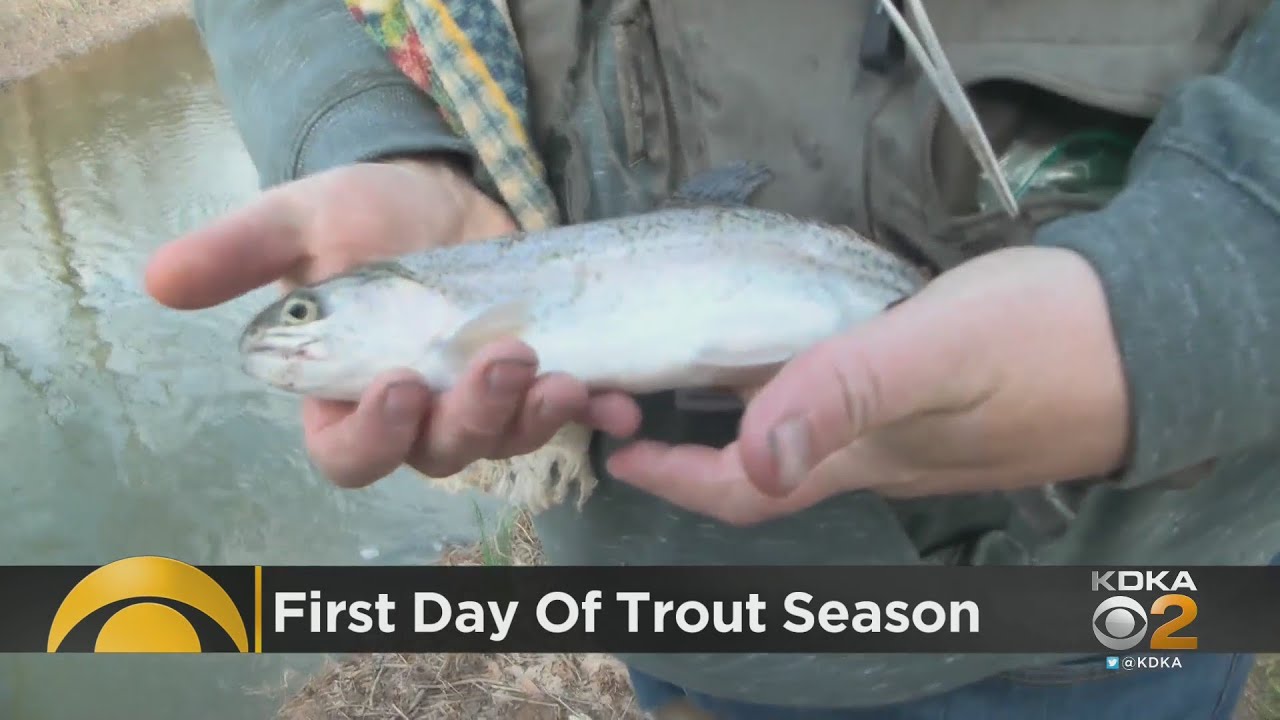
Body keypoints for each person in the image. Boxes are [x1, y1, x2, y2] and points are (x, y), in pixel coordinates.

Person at [147, 1, 1280, 717]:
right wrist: (362, 128)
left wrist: (1172, 307)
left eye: (308, 318)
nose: (294, 337)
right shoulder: (452, 313)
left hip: (1097, 603)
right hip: (668, 603)